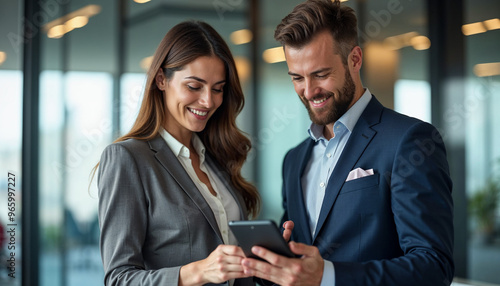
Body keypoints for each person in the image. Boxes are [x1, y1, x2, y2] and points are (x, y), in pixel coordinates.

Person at [240, 0, 454, 285]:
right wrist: (271, 266)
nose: (309, 91)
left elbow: (433, 266)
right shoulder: (294, 160)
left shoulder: (409, 140)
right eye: (297, 78)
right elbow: (299, 266)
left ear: (354, 59)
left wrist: (328, 275)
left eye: (321, 74)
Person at [96, 21, 260, 286]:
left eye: (218, 89)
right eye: (194, 86)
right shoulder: (128, 158)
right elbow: (119, 278)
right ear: (162, 79)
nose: (208, 101)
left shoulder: (216, 157)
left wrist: (267, 256)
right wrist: (197, 272)